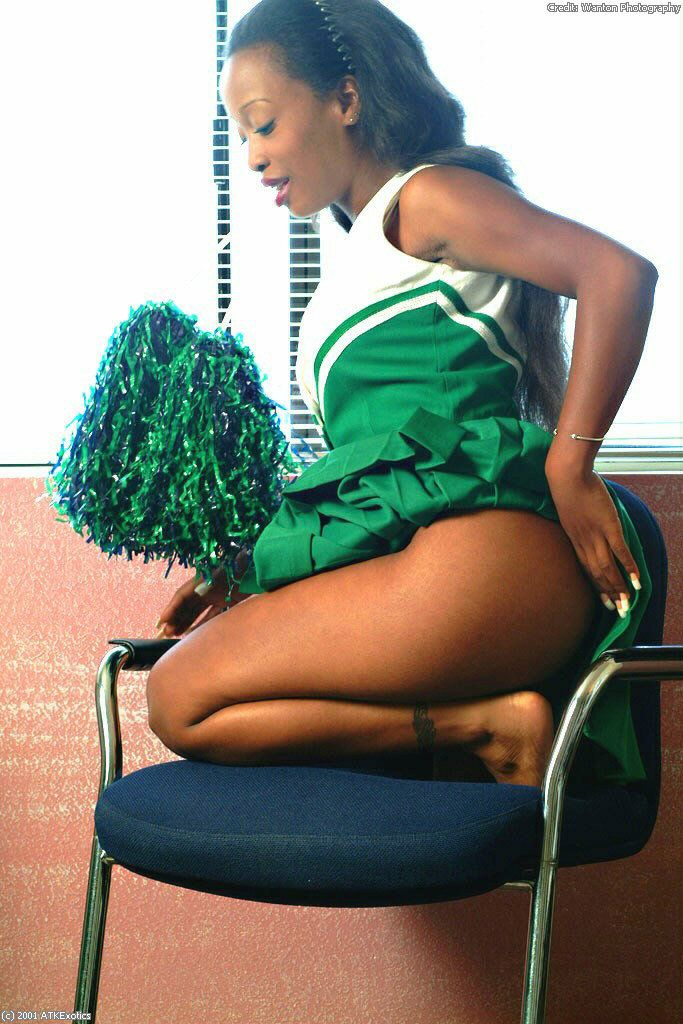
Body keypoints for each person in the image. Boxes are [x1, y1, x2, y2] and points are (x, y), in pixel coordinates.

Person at [149, 0, 658, 789]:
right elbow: (380, 477)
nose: (252, 157)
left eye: (263, 124)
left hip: (481, 562)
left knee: (179, 693)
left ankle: (486, 725)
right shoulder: (360, 260)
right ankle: (483, 723)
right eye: (241, 136)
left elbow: (617, 275)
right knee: (183, 699)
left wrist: (571, 464)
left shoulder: (424, 198)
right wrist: (245, 569)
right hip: (456, 571)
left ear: (346, 99)